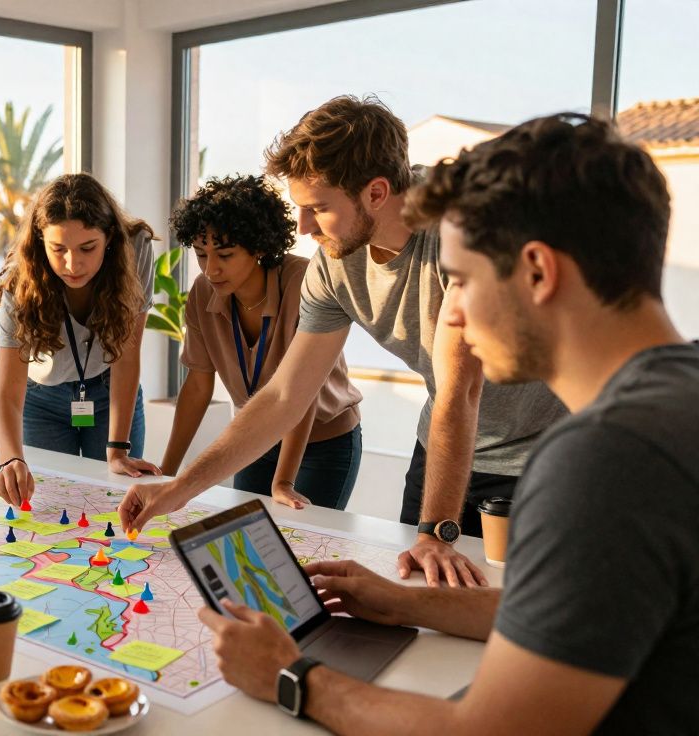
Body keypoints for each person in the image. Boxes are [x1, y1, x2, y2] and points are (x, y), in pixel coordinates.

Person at [199, 113, 698, 734]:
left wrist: (292, 676)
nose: (453, 312)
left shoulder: (603, 460)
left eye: (460, 282)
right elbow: (595, 611)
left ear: (538, 272)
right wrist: (407, 603)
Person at [120, 96, 567, 587]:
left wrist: (437, 532)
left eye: (317, 209)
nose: (304, 228)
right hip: (441, 449)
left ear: (376, 192)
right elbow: (286, 394)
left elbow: (461, 390)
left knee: (518, 612)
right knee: (415, 594)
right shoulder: (334, 261)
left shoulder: (458, 234)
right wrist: (180, 488)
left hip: (542, 457)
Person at [162, 175, 363, 510]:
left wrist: (283, 481)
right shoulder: (202, 292)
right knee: (249, 536)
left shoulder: (304, 282)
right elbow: (197, 385)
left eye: (224, 255)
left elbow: (301, 394)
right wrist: (167, 473)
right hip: (256, 435)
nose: (211, 269)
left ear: (257, 247)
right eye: (201, 255)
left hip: (324, 441)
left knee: (303, 547)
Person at [0, 173, 160, 505]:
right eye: (58, 249)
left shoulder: (135, 248)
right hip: (42, 402)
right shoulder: (19, 281)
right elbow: (7, 394)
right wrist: (11, 460)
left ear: (109, 238)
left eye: (87, 247)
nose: (72, 263)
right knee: (54, 510)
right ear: (40, 241)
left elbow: (127, 353)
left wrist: (118, 449)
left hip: (112, 391)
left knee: (113, 503)